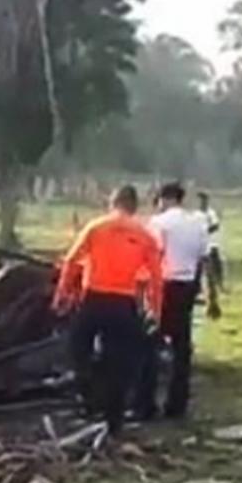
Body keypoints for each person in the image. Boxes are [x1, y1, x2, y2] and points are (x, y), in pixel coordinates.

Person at [53, 185, 163, 435]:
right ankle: (114, 420)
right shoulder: (145, 235)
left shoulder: (96, 227)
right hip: (123, 303)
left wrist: (62, 294)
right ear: (134, 207)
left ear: (112, 202)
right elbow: (156, 279)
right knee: (119, 363)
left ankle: (89, 399)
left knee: (77, 350)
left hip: (94, 298)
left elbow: (71, 261)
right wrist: (155, 311)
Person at [135, 182, 212, 420]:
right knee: (181, 347)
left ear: (164, 199)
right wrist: (209, 294)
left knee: (148, 345)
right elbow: (204, 259)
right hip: (186, 286)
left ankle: (145, 405)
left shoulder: (159, 223)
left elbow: (151, 257)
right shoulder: (198, 223)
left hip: (163, 285)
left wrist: (143, 292)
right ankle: (177, 405)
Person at [197, 191, 225, 296]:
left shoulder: (210, 213)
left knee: (216, 266)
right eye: (201, 200)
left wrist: (204, 231)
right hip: (201, 244)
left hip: (211, 243)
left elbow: (216, 225)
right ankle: (200, 289)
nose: (202, 202)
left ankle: (220, 285)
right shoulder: (197, 214)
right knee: (201, 268)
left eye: (204, 200)